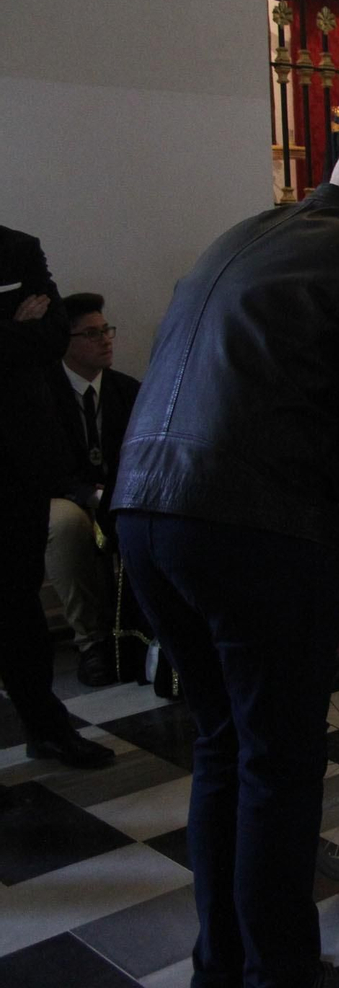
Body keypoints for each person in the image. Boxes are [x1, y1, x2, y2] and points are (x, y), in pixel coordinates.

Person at [113, 145, 339, 988]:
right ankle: (283, 975)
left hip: (144, 510)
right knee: (278, 762)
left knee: (224, 747)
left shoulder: (243, 235)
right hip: (253, 525)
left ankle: (223, 966)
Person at [0, 226, 114, 772]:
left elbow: (51, 338)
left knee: (18, 604)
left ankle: (46, 728)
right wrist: (14, 328)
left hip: (18, 465)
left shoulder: (17, 248)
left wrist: (22, 334)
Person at [45, 292, 140, 687]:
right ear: (65, 342)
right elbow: (39, 464)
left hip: (118, 491)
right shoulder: (42, 393)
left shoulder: (127, 390)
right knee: (66, 525)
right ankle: (92, 642)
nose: (105, 340)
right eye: (91, 334)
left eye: (106, 330)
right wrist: (86, 494)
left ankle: (142, 631)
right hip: (62, 495)